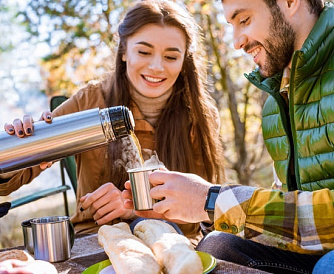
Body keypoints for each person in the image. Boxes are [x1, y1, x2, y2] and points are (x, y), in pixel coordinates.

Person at [123, 0, 334, 272]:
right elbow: (291, 213)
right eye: (231, 26)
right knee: (217, 246)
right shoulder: (276, 97)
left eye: (244, 20)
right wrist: (204, 209)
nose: (236, 42)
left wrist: (213, 200)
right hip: (315, 246)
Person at [0, 0, 225, 245]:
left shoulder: (201, 116)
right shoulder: (91, 101)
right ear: (124, 51)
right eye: (144, 52)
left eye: (171, 56)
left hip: (176, 243)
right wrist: (20, 144)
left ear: (184, 62)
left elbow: (204, 212)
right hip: (96, 242)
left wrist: (133, 207)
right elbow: (10, 181)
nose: (157, 67)